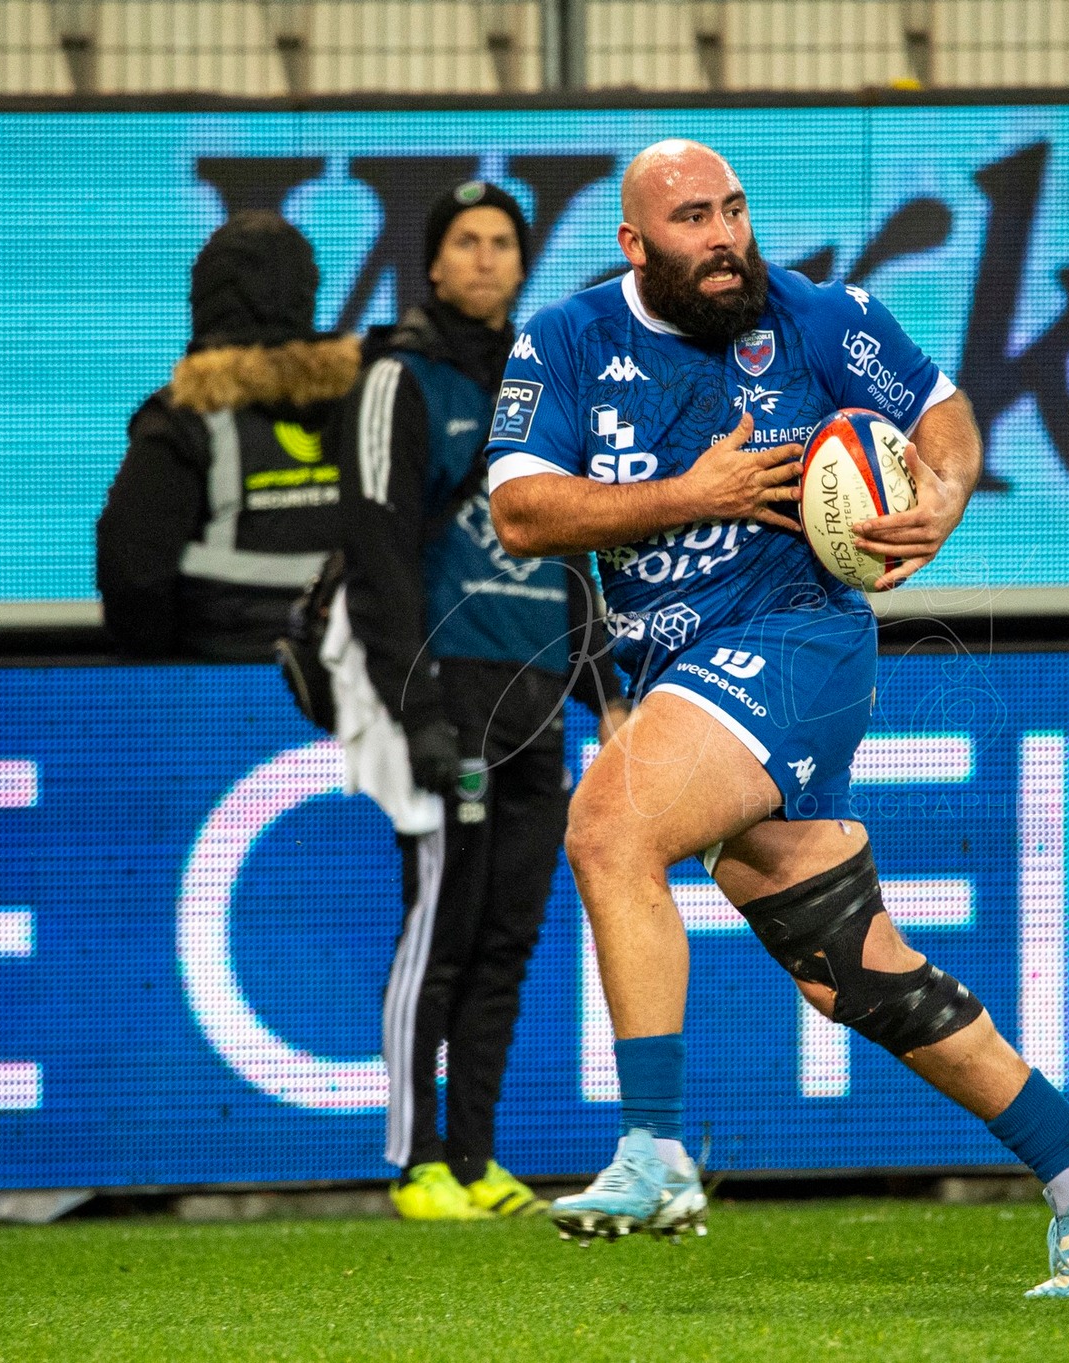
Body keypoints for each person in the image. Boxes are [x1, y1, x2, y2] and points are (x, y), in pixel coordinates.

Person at [484, 138, 1069, 1297]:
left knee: (609, 828)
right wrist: (682, 496)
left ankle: (651, 1149)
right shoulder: (565, 341)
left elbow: (942, 415)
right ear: (633, 244)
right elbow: (520, 512)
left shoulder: (814, 316)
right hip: (672, 669)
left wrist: (938, 504)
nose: (723, 237)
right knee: (851, 971)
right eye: (692, 219)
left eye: (733, 210)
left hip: (798, 638)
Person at [321, 181, 629, 1223]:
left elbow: (575, 547)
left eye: (505, 241)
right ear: (435, 263)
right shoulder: (398, 381)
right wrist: (413, 708)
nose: (488, 257)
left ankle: (477, 1157)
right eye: (467, 241)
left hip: (539, 691)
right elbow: (375, 548)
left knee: (508, 934)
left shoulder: (542, 390)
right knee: (439, 929)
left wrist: (605, 691)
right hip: (446, 684)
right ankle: (415, 1165)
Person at [97, 211, 358, 661]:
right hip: (349, 684)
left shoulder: (185, 418)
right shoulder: (364, 405)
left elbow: (132, 574)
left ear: (205, 299)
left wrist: (168, 670)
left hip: (216, 689)